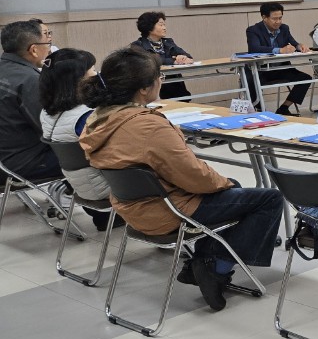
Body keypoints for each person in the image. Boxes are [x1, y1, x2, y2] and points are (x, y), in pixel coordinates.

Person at [79, 47, 284, 311]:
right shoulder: (147, 126)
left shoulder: (98, 119)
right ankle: (214, 268)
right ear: (144, 88)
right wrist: (223, 183)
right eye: (159, 77)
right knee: (269, 198)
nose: (161, 81)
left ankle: (201, 262)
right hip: (168, 211)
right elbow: (194, 176)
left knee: (235, 190)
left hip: (131, 208)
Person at [39, 48, 120, 231]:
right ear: (77, 80)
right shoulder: (85, 117)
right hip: (107, 186)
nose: (96, 74)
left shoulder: (47, 113)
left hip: (80, 185)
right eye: (92, 69)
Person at [0, 19, 61, 182]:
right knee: (96, 156)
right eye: (47, 43)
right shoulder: (29, 80)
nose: (49, 48)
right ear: (34, 50)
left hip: (6, 160)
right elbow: (51, 130)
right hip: (22, 164)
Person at [245, 2, 311, 116]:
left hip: (281, 68)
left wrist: (300, 46)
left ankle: (284, 108)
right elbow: (254, 48)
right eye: (274, 19)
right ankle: (259, 111)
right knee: (251, 80)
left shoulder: (284, 28)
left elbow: (294, 43)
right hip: (261, 70)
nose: (278, 21)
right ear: (264, 18)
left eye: (280, 18)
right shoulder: (253, 30)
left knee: (305, 79)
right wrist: (279, 50)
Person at [130, 11, 194, 100]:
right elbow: (150, 61)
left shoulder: (168, 42)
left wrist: (183, 58)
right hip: (153, 89)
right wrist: (173, 60)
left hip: (175, 88)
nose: (164, 28)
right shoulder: (137, 45)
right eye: (161, 25)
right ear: (149, 27)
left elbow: (187, 56)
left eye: (164, 25)